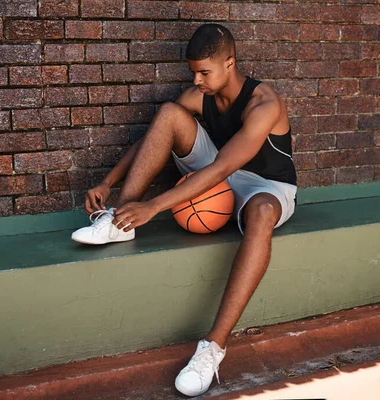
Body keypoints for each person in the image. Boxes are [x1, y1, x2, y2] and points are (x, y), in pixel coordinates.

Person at [71, 23, 297, 396]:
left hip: (265, 186)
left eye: (204, 72)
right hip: (219, 173)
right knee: (169, 113)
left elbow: (223, 167)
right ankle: (120, 221)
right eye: (193, 71)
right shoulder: (201, 94)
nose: (197, 79)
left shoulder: (265, 105)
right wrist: (108, 182)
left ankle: (212, 348)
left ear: (230, 63)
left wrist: (155, 207)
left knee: (260, 214)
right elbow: (155, 136)